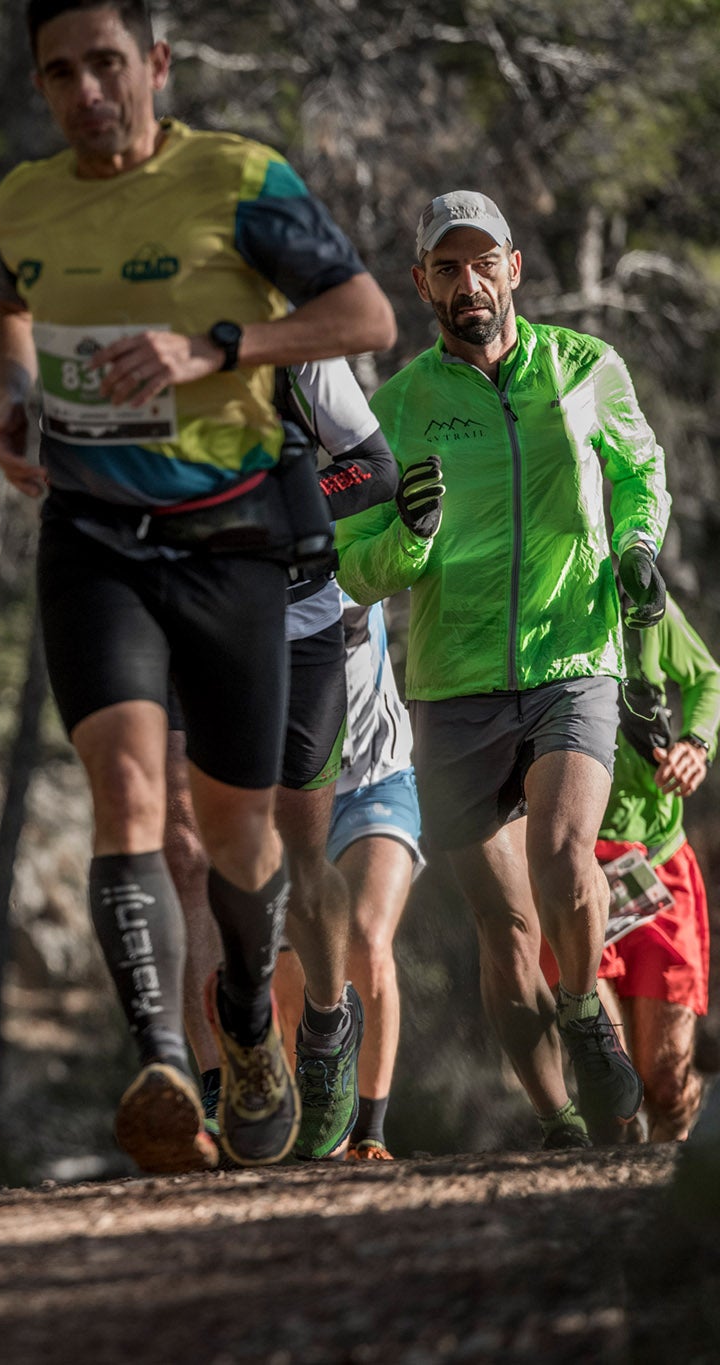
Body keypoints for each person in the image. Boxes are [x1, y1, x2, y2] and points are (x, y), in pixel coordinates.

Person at [0, 0, 397, 1172]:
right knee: (123, 791)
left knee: (236, 834)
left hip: (234, 535)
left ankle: (245, 1024)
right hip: (94, 534)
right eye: (58, 73)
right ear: (39, 86)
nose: (86, 92)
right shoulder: (24, 198)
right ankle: (163, 1062)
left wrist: (213, 349)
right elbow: (8, 300)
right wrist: (5, 401)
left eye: (106, 64)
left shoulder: (238, 178)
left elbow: (359, 313)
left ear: (154, 65)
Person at [338, 189, 670, 1148]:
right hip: (453, 680)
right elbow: (349, 560)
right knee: (504, 927)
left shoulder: (583, 368)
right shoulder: (396, 408)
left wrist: (638, 546)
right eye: (448, 267)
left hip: (573, 654)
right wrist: (409, 538)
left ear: (515, 269)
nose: (468, 282)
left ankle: (586, 1014)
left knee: (565, 856)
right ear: (421, 285)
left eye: (485, 262)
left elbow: (641, 465)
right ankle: (557, 1116)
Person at [162, 359, 398, 1162]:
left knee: (301, 857)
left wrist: (274, 510)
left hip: (301, 627)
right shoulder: (122, 344)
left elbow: (375, 467)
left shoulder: (296, 345)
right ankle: (228, 1078)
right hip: (189, 626)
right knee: (195, 851)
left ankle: (328, 1026)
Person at [251, 595, 425, 1160]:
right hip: (285, 797)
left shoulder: (352, 523)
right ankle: (304, 1123)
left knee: (366, 937)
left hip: (377, 777)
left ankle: (370, 1131)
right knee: (287, 970)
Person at [540, 600, 716, 1142]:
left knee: (665, 1081)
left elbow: (707, 676)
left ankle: (679, 1195)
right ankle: (613, 1208)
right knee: (612, 1093)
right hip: (574, 868)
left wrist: (697, 743)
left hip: (657, 863)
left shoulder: (643, 596)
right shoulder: (537, 599)